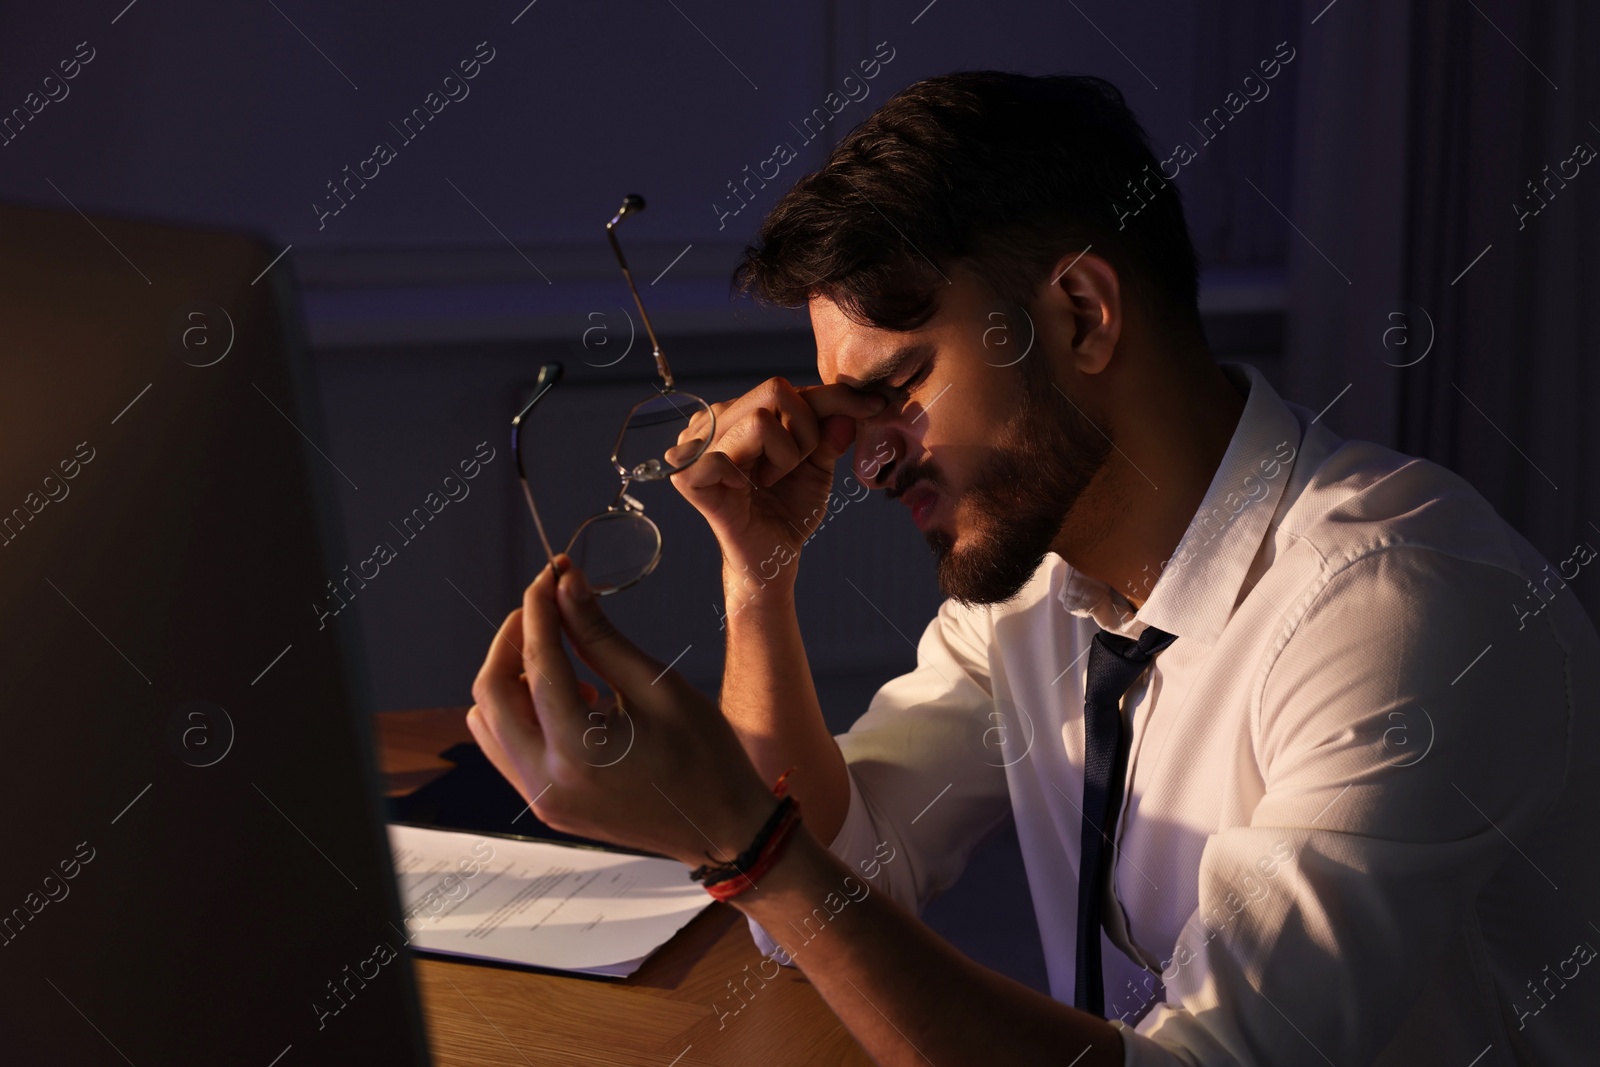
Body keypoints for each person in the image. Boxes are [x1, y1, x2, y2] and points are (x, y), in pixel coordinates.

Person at [466, 71, 1600, 1065]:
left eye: (897, 388)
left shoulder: (1394, 608)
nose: (865, 459)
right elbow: (830, 884)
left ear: (1080, 313)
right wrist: (757, 577)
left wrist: (743, 844)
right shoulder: (1034, 591)